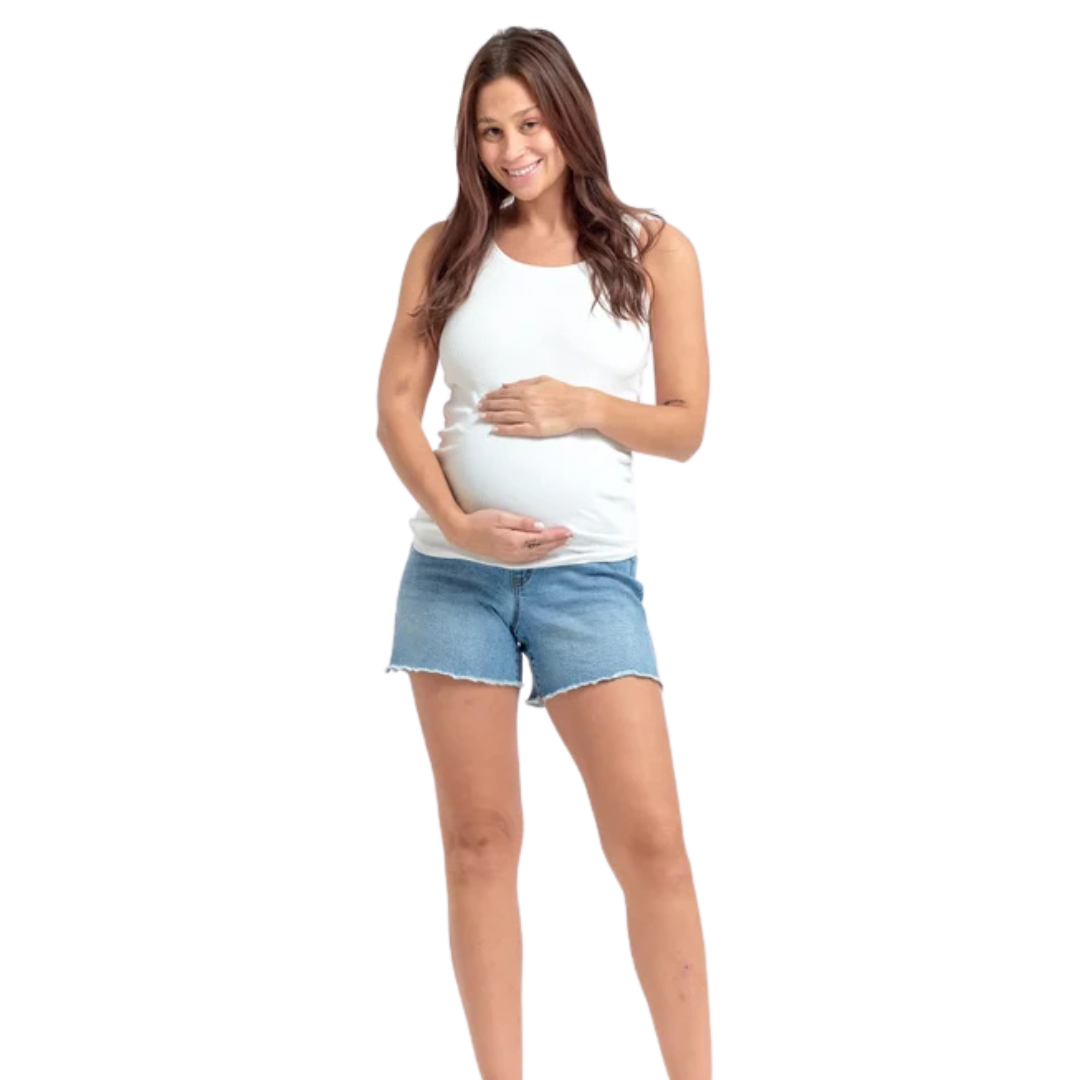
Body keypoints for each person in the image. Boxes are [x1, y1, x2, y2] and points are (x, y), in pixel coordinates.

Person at [374, 24, 712, 1079]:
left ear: (571, 119)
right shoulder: (444, 246)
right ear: (468, 143)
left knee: (652, 845)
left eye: (529, 124)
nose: (513, 150)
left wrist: (584, 406)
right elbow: (394, 409)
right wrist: (458, 522)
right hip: (453, 577)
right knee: (480, 842)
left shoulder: (655, 248)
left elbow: (687, 428)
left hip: (589, 581)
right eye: (490, 132)